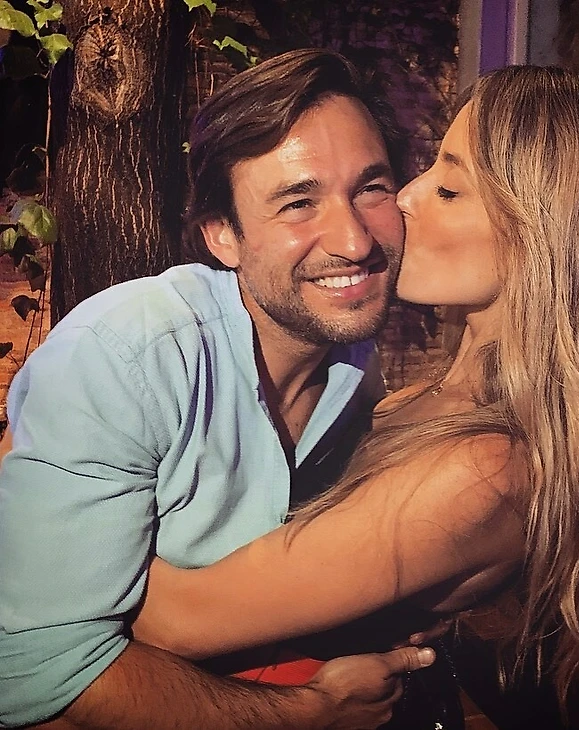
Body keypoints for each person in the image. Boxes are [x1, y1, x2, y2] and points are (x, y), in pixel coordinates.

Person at [133, 65, 579, 710]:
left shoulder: (485, 468)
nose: (404, 196)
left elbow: (180, 619)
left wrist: (65, 506)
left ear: (550, 237)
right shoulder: (409, 391)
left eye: (449, 188)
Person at [0, 49, 438, 729]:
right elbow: (31, 675)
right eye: (298, 203)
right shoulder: (127, 355)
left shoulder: (350, 357)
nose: (354, 241)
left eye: (371, 188)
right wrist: (311, 712)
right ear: (222, 237)